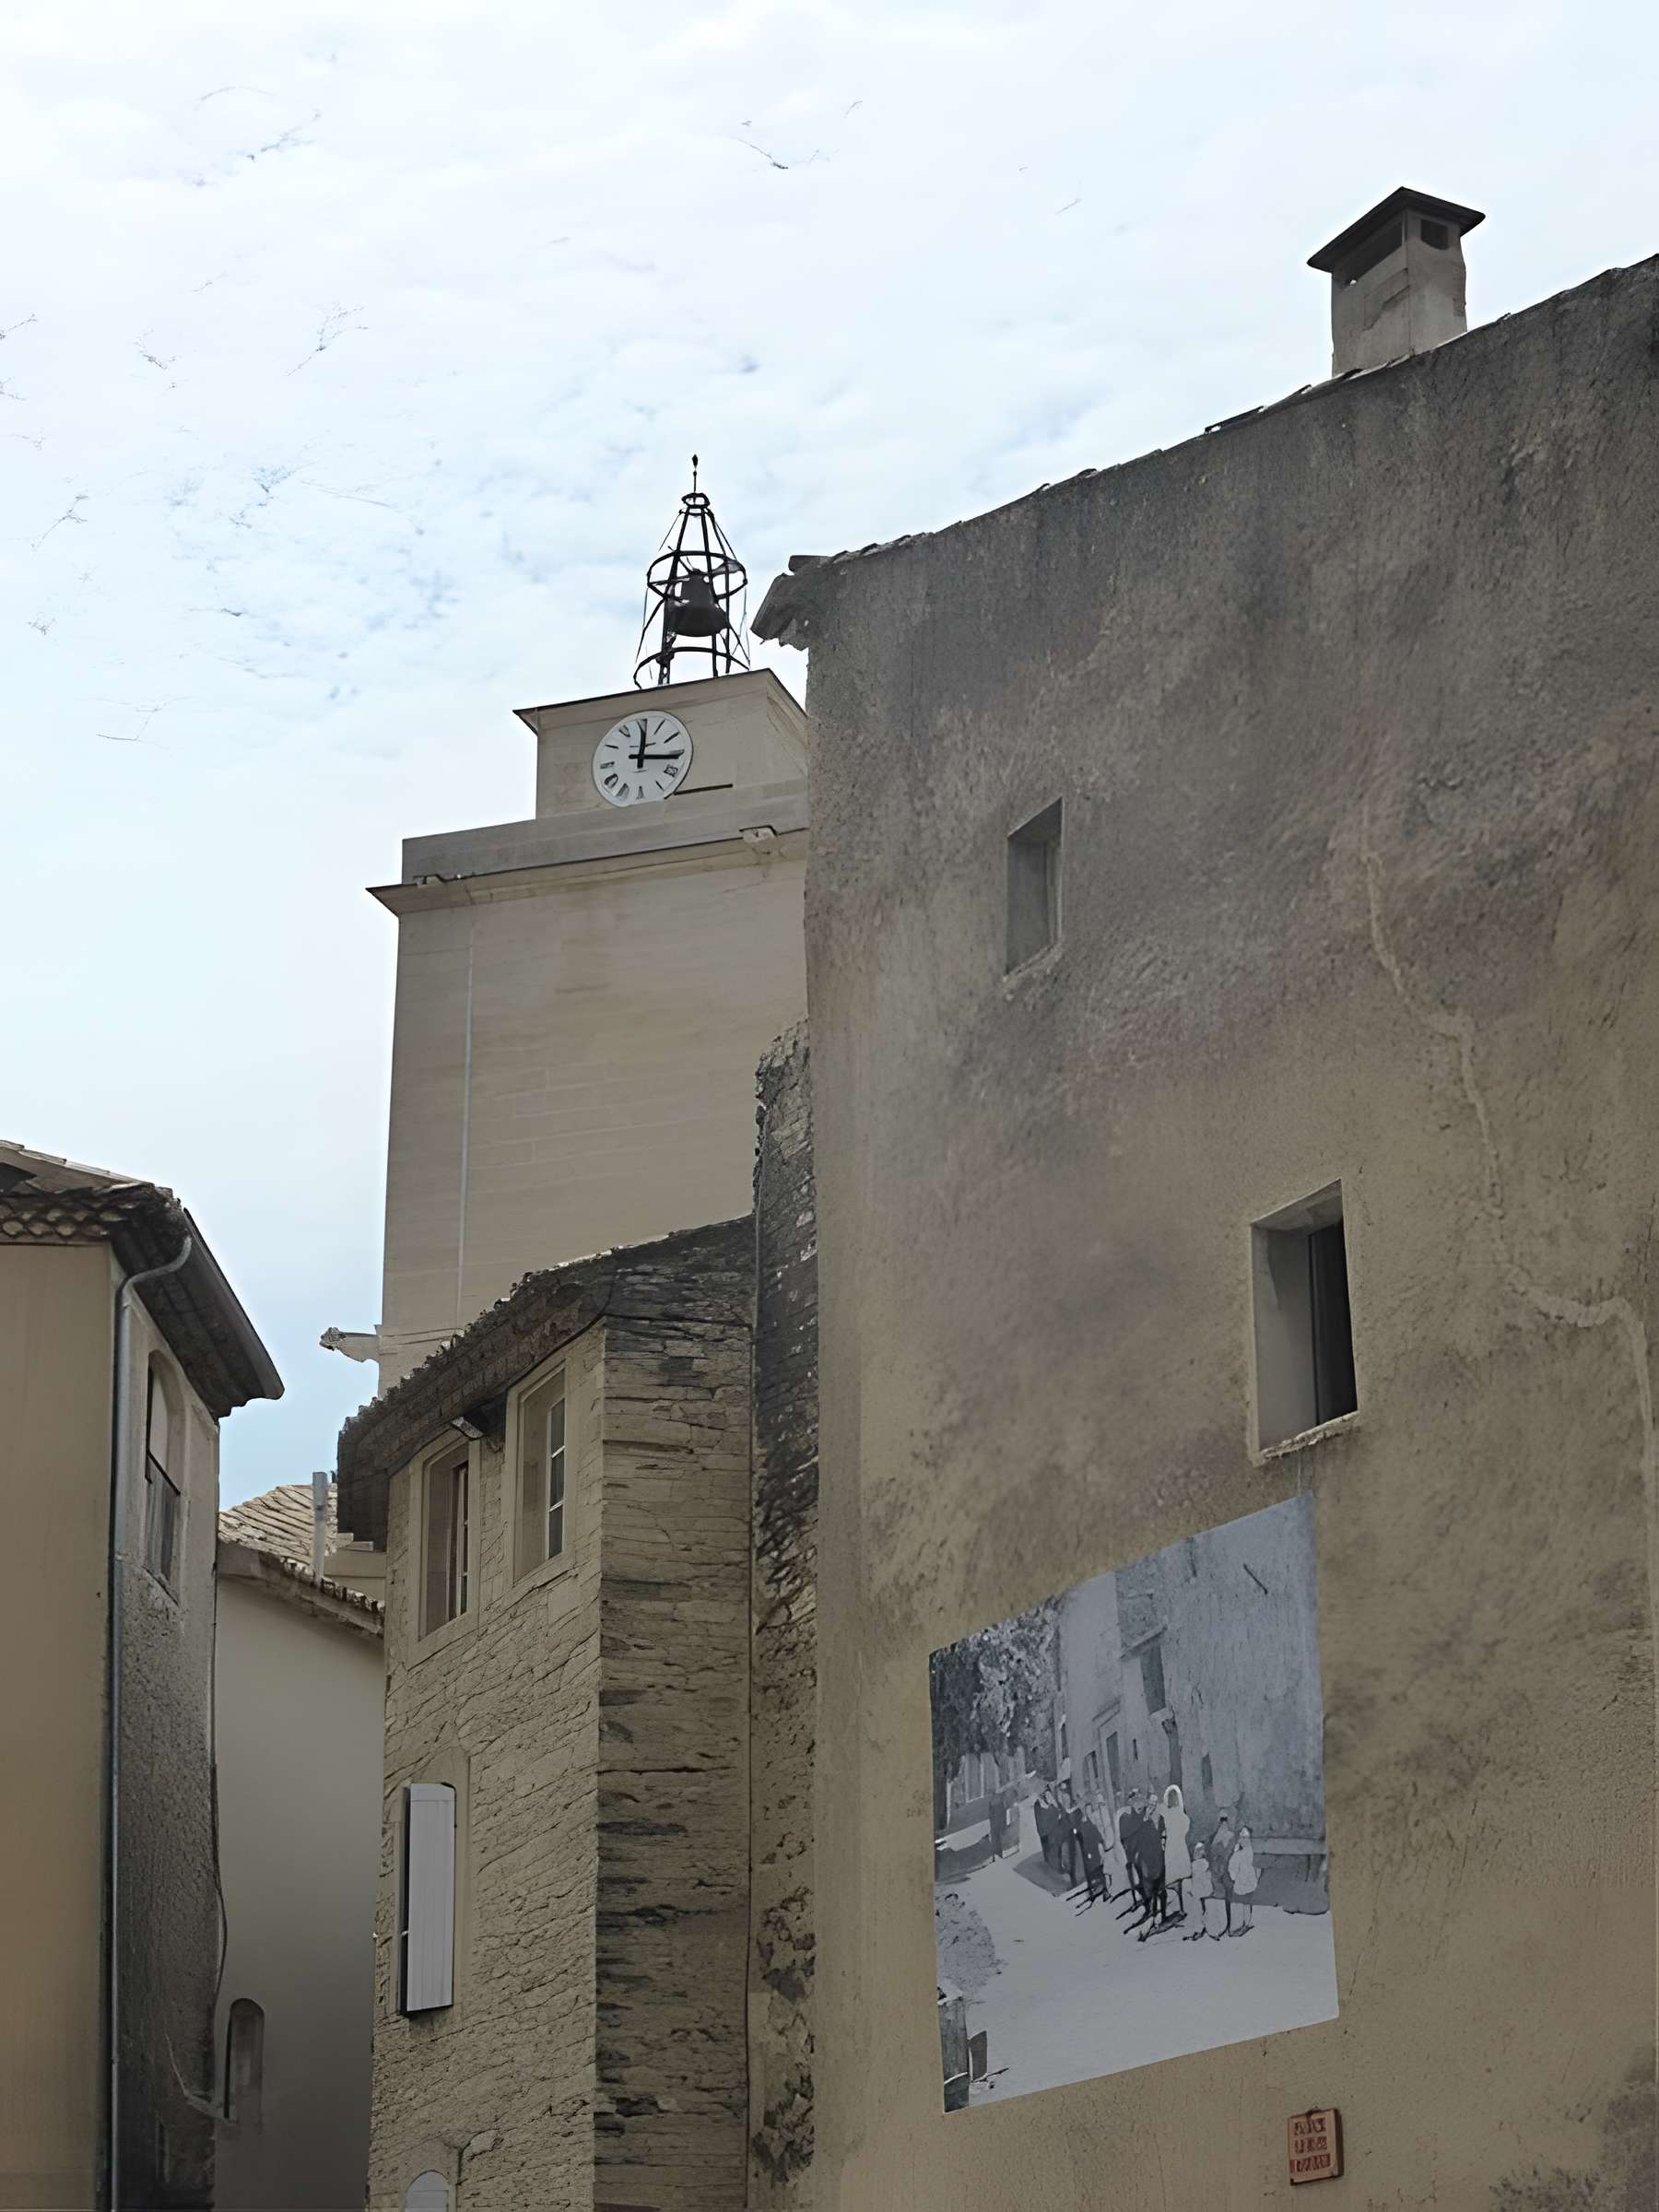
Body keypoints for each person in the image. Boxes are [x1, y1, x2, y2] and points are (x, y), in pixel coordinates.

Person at [1160, 1784, 1193, 1919]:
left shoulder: (1166, 1815)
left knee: (1173, 1876)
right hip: (1179, 1847)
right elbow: (1186, 1828)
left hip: (1171, 1848)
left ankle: (1179, 1906)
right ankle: (1181, 1905)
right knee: (1180, 1877)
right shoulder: (1182, 1815)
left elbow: (1164, 1831)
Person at [1209, 1810, 1237, 1940]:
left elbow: (1233, 1856)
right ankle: (1221, 1925)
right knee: (1220, 1900)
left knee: (1228, 1899)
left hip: (1228, 1873)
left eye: (1225, 1820)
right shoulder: (1215, 1838)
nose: (1223, 1823)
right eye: (1222, 1821)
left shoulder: (1232, 1838)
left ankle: (1229, 1925)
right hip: (1218, 1873)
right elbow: (1212, 1856)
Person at [1229, 1825, 1259, 1933]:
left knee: (1239, 1904)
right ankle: (1246, 1923)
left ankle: (1240, 1925)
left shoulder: (1241, 1854)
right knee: (1245, 1903)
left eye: (1245, 1837)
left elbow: (1233, 1869)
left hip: (1243, 1883)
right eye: (1242, 1837)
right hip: (1247, 1882)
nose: (1243, 1840)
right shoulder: (1248, 1851)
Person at [1184, 1841, 1214, 1940]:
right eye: (1195, 1850)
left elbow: (1204, 1879)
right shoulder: (1194, 1863)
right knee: (1194, 1905)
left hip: (1204, 1888)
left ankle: (1199, 1929)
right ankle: (1195, 1928)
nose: (1196, 1852)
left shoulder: (1204, 1863)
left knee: (1196, 1905)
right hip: (1197, 1888)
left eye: (1199, 1850)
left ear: (1203, 1852)